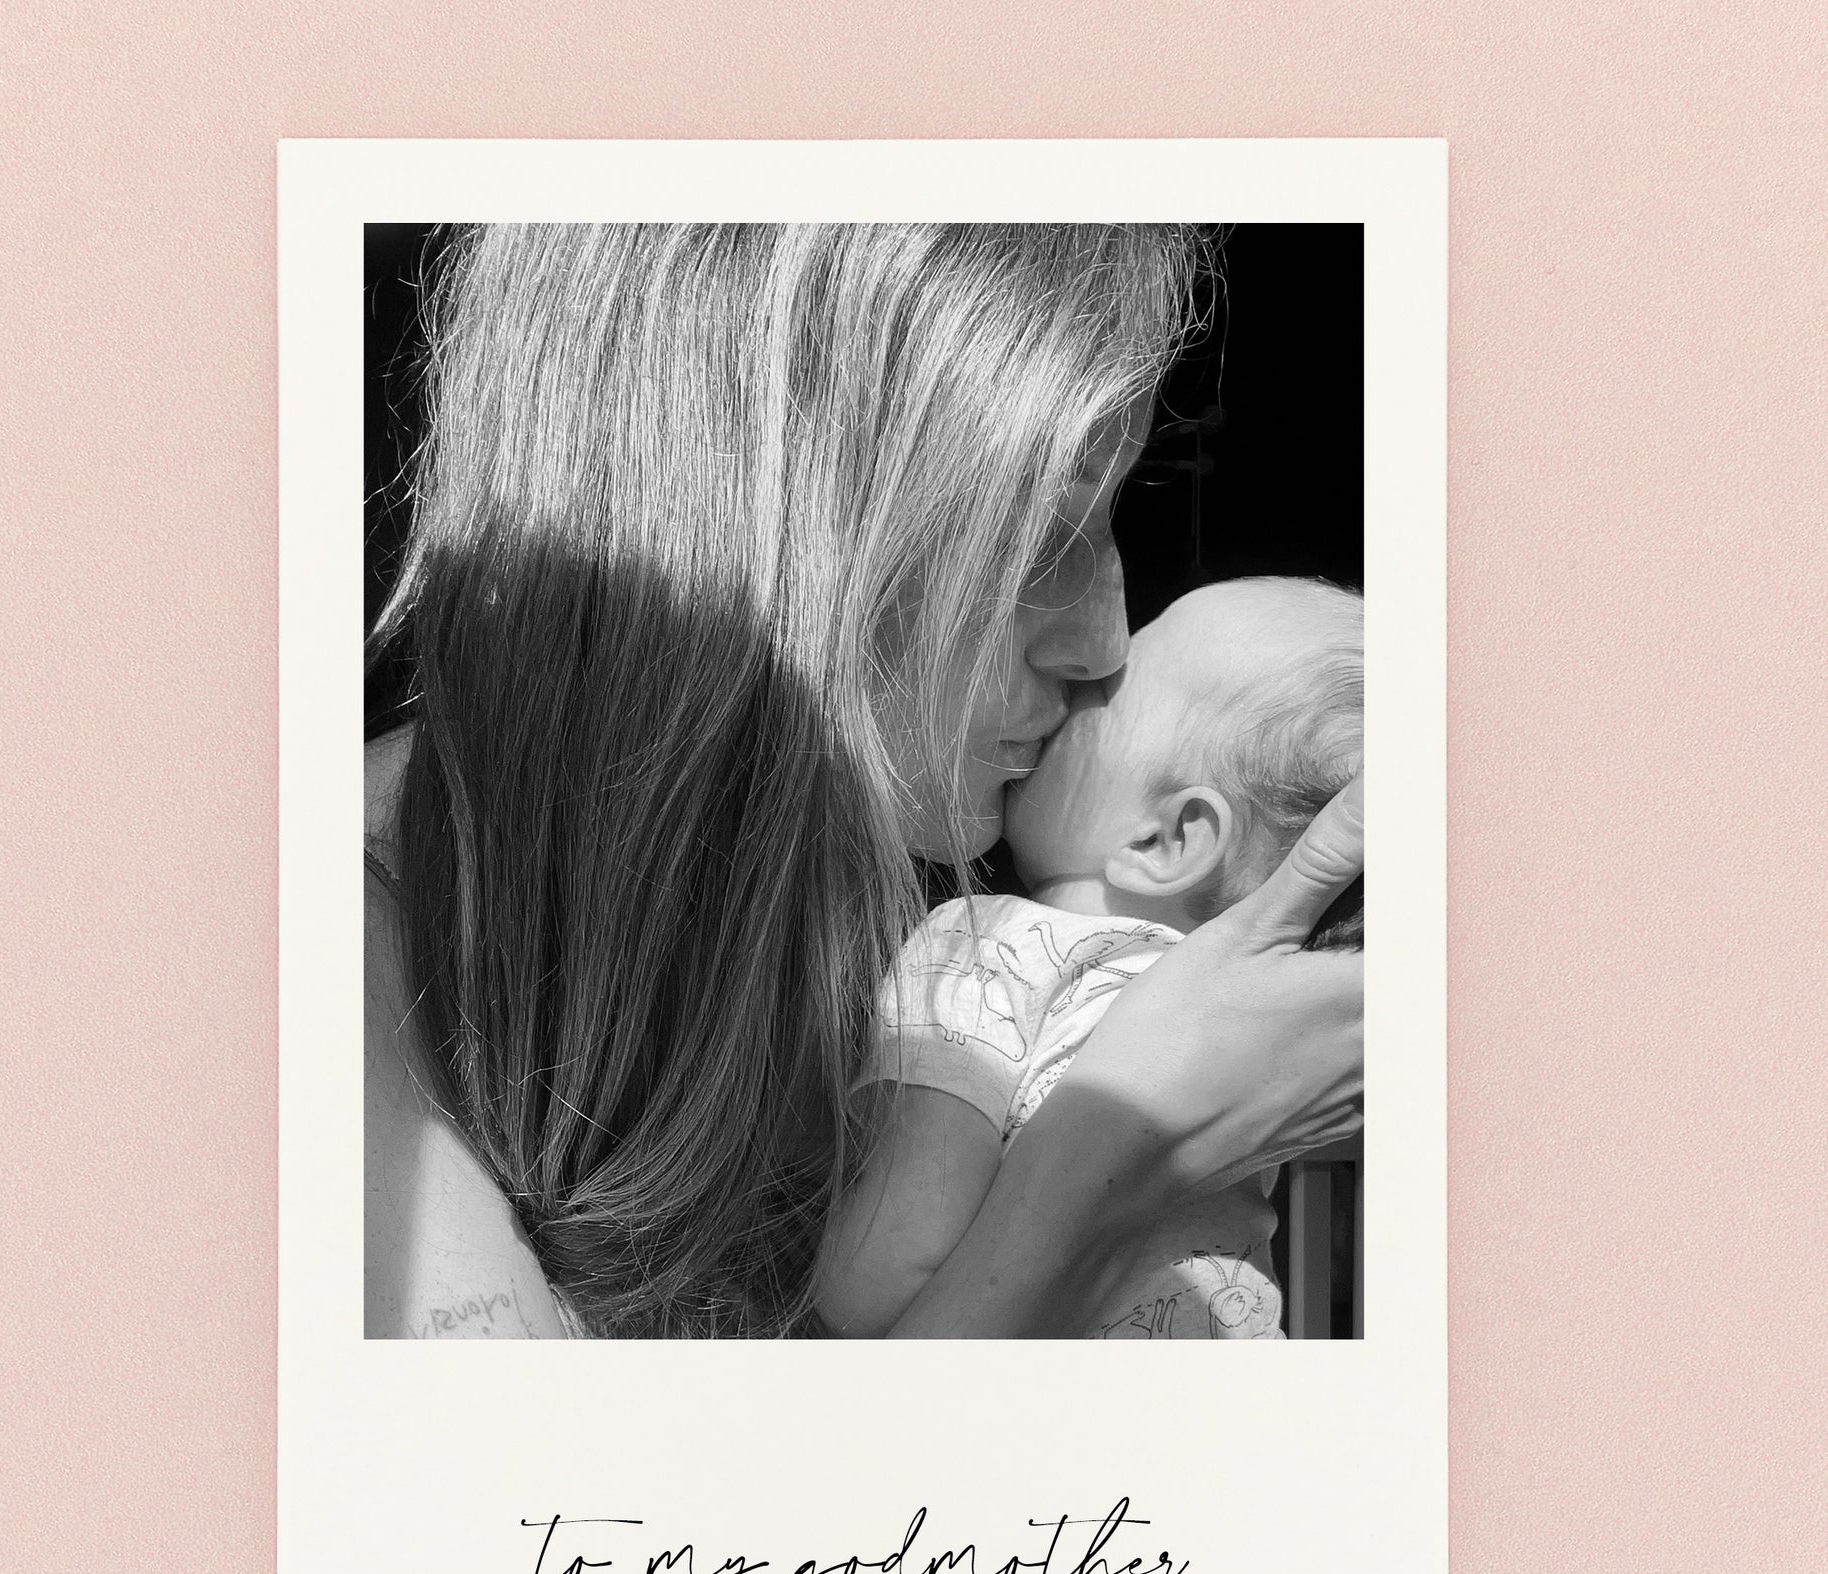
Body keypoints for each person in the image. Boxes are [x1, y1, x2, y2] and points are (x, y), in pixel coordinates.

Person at [364, 222, 1364, 1340]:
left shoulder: (911, 904)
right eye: (1039, 533)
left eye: (1116, 518)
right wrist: (1112, 1166)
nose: (1103, 641)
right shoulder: (332, 957)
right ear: (778, 518)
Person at [812, 577, 1362, 1339]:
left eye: (1108, 687)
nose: (1078, 679)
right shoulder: (1260, 1028)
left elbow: (876, 1275)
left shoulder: (982, 949)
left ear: (1164, 841)